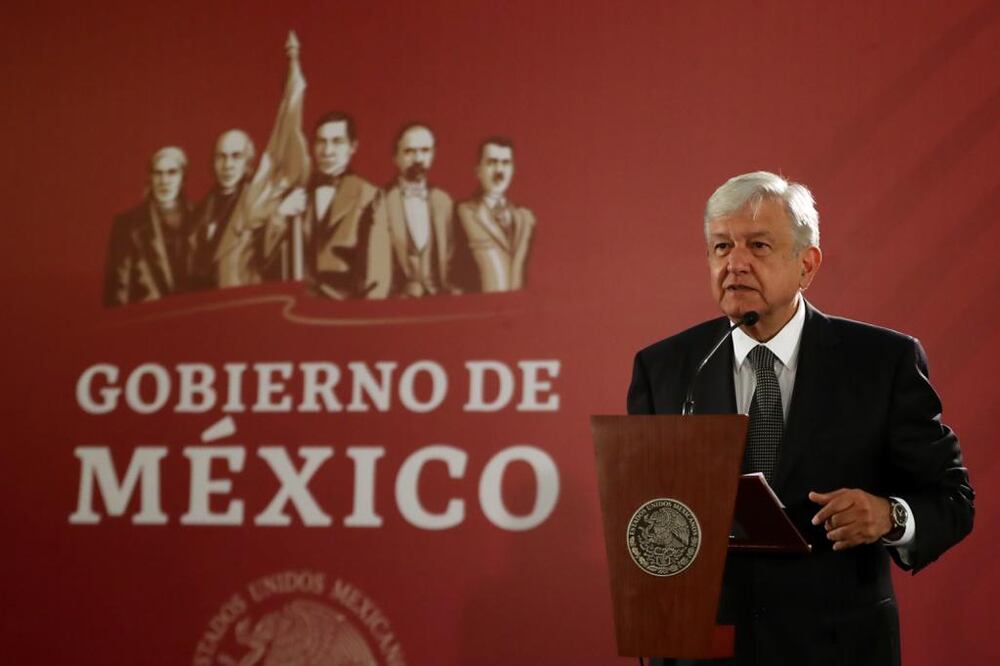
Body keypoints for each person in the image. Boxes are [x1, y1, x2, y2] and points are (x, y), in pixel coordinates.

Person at [626, 171, 974, 665]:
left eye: (758, 245)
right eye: (722, 247)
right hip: (706, 650)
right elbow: (648, 520)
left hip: (838, 649)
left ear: (806, 265)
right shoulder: (665, 368)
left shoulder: (881, 363)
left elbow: (952, 499)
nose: (735, 263)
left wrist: (889, 515)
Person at [274, 112, 389, 298]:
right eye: (321, 142)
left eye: (337, 142)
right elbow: (266, 261)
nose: (327, 151)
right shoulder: (296, 192)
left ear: (353, 147)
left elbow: (377, 277)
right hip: (299, 305)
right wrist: (279, 215)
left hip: (346, 308)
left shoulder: (370, 195)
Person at [372, 123, 464, 297]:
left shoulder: (444, 201)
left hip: (440, 297)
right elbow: (375, 263)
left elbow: (454, 258)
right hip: (397, 300)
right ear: (395, 157)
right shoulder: (381, 201)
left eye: (425, 151)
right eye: (409, 152)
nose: (418, 159)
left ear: (433, 154)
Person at [103, 146, 191, 306]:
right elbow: (118, 292)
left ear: (183, 178)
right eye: (158, 173)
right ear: (150, 178)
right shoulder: (127, 225)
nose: (164, 181)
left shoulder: (199, 217)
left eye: (172, 172)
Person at [456, 136, 535, 292]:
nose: (499, 170)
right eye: (492, 163)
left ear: (513, 170)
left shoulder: (526, 219)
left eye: (506, 163)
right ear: (478, 171)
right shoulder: (463, 213)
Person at [188, 129, 255, 291]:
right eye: (221, 157)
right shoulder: (199, 210)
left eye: (236, 156)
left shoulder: (257, 203)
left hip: (241, 300)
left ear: (247, 162)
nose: (227, 165)